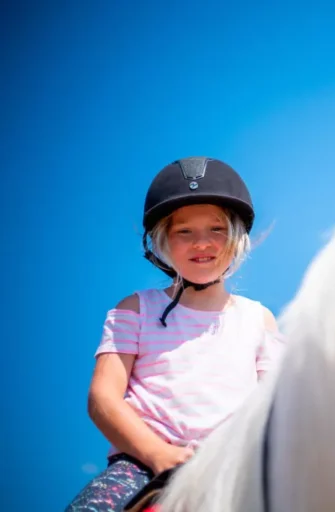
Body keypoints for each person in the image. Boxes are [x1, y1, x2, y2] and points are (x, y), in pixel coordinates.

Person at [65, 157, 285, 511]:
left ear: (236, 237)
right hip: (140, 463)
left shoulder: (259, 319)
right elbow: (103, 398)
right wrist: (158, 453)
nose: (202, 243)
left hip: (234, 466)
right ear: (162, 242)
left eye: (216, 229)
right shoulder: (134, 309)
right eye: (184, 231)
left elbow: (275, 409)